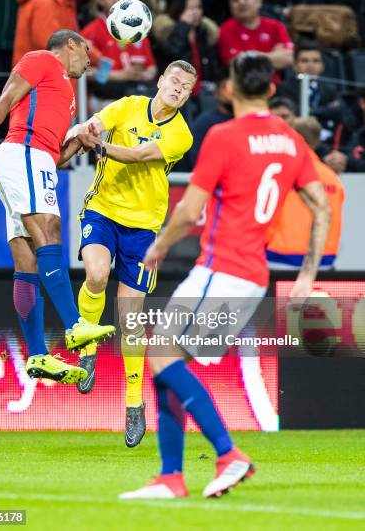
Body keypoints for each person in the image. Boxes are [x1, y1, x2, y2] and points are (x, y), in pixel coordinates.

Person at [119, 52, 330, 499]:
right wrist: (308, 274)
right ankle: (171, 477)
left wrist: (158, 246)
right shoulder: (292, 141)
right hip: (252, 276)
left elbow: (190, 211)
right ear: (272, 90)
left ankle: (228, 454)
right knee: (166, 365)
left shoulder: (224, 136)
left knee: (159, 354)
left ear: (229, 89)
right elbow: (321, 206)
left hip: (222, 270)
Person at [0, 29, 115, 384]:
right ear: (71, 45)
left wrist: (77, 143)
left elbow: (54, 156)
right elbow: (7, 96)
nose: (89, 59)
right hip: (22, 154)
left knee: (27, 258)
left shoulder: (67, 98)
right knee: (49, 229)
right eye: (87, 51)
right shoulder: (42, 59)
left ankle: (38, 355)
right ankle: (74, 325)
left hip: (36, 161)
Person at [66, 60, 195, 447]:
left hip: (144, 228)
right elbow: (95, 124)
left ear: (188, 96)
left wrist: (99, 145)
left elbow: (138, 156)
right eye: (173, 81)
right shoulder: (128, 105)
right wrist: (84, 130)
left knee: (130, 320)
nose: (177, 89)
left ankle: (134, 402)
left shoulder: (181, 134)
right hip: (103, 210)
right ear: (160, 81)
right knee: (96, 275)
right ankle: (87, 350)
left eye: (185, 87)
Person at [266, 116, 344, 270]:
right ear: (316, 141)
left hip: (279, 259)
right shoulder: (332, 178)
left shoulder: (277, 172)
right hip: (321, 261)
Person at [276, 40, 355, 156]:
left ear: (322, 66)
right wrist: (325, 111)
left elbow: (342, 114)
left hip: (327, 144)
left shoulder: (330, 89)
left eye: (316, 61)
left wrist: (311, 112)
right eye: (304, 61)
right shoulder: (284, 88)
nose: (310, 65)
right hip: (295, 144)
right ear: (295, 65)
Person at [82, 0, 157, 101]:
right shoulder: (91, 31)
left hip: (137, 90)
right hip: (106, 96)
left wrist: (143, 75)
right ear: (101, 0)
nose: (118, 0)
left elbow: (151, 67)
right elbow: (83, 72)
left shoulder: (138, 28)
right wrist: (119, 76)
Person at [152, 0, 221, 116]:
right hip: (176, 94)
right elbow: (173, 51)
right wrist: (183, 26)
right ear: (179, 10)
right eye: (190, 8)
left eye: (198, 7)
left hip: (202, 94)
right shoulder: (167, 32)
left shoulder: (204, 33)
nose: (195, 12)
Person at [218, 0, 294, 84]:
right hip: (243, 88)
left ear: (259, 1)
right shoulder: (226, 29)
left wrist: (250, 55)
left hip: (276, 88)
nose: (241, 2)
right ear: (230, 6)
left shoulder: (276, 26)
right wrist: (273, 55)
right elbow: (237, 64)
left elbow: (289, 58)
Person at [188, 77, 233, 168]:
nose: (230, 93)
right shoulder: (203, 123)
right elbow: (195, 158)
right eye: (225, 88)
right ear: (216, 92)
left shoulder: (246, 120)